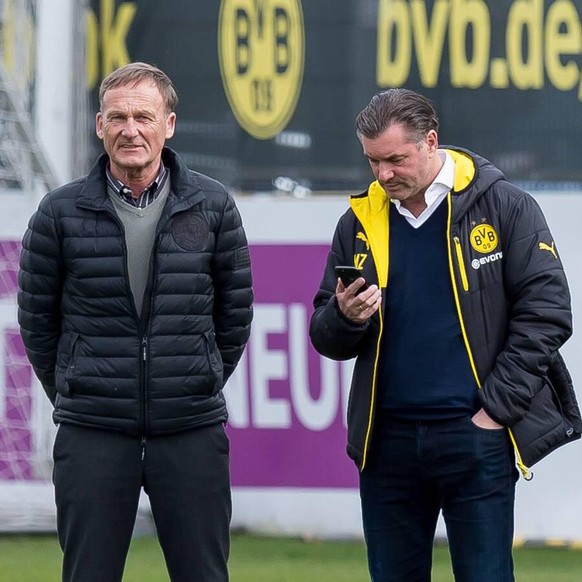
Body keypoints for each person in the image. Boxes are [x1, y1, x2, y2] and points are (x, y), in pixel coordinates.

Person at [309, 88, 580, 582]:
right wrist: (344, 316)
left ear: (431, 141)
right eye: (373, 162)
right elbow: (325, 336)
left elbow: (548, 312)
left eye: (395, 159)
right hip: (385, 444)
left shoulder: (505, 206)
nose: (383, 174)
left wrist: (495, 411)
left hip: (474, 438)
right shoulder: (359, 221)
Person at [17, 62, 253, 582]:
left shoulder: (213, 207)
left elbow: (233, 317)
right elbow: (37, 322)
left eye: (143, 117)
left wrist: (196, 380)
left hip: (189, 430)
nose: (131, 130)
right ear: (99, 125)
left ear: (168, 124)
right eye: (118, 117)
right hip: (93, 434)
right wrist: (80, 391)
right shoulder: (58, 214)